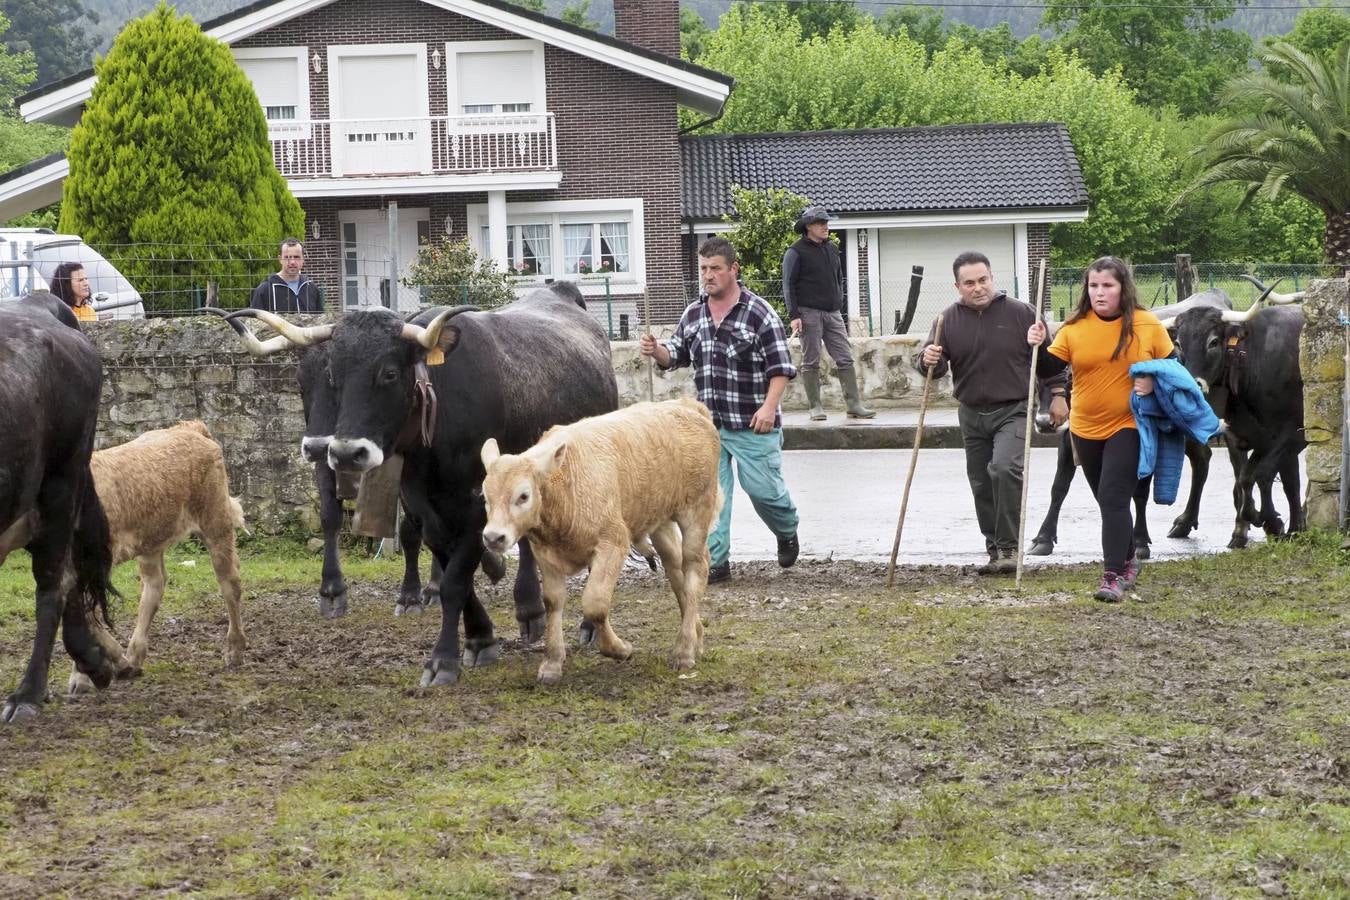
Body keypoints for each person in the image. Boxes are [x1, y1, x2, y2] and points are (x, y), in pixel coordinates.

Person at [639, 236, 800, 584]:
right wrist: (657, 351)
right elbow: (676, 355)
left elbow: (782, 368)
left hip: (753, 423)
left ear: (733, 270)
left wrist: (769, 408)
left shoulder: (759, 313)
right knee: (710, 500)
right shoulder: (693, 313)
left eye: (715, 269)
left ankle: (787, 529)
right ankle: (716, 562)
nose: (708, 275)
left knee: (764, 491)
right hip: (708, 428)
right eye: (703, 269)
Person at [1027, 256, 1174, 602]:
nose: (1099, 292)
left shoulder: (1146, 324)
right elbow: (1049, 365)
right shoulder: (1075, 327)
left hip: (1129, 424)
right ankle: (1128, 561)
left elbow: (1173, 368)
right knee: (1110, 502)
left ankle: (1112, 577)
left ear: (1122, 288)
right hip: (1084, 429)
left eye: (1107, 285)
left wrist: (1152, 382)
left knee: (1112, 496)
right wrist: (1035, 342)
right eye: (1093, 286)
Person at [917, 251, 1067, 575]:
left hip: (1013, 409)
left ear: (991, 278)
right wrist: (927, 358)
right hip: (971, 413)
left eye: (983, 280)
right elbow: (936, 366)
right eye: (969, 283)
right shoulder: (946, 319)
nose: (978, 287)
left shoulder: (1022, 313)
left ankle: (1010, 548)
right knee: (981, 482)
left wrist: (1057, 394)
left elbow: (1052, 363)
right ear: (958, 286)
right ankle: (994, 549)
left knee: (1003, 469)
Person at [782, 206, 874, 420]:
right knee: (811, 360)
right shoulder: (794, 252)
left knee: (845, 357)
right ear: (808, 227)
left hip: (833, 313)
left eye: (826, 222)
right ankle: (815, 407)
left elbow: (838, 277)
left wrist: (838, 300)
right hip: (808, 313)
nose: (826, 226)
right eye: (820, 223)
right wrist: (794, 315)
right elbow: (788, 285)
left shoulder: (831, 248)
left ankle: (854, 404)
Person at [250, 238, 323, 313]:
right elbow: (255, 322)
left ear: (303, 259)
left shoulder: (312, 288)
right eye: (287, 257)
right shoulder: (264, 290)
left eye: (296, 257)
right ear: (280, 259)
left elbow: (320, 320)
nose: (292, 262)